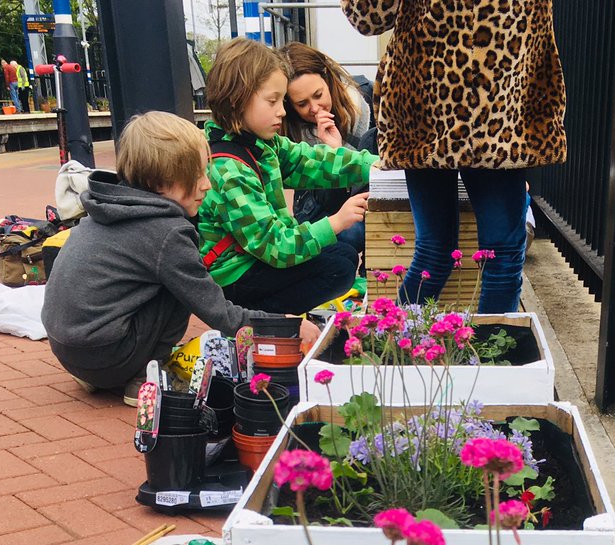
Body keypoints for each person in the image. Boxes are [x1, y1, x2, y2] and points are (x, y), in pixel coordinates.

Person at [43, 111, 301, 401]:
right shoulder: (167, 233)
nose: (207, 184)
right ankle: (143, 376)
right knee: (181, 285)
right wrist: (283, 327)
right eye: (197, 175)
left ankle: (102, 374)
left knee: (169, 276)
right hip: (107, 356)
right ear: (159, 183)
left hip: (70, 352)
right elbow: (217, 311)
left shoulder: (107, 207)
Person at [340, 0, 567, 313]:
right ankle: (401, 349)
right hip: (438, 111)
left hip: (492, 113)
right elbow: (367, 17)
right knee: (444, 251)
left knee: (494, 252)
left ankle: (487, 354)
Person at [198, 39, 377, 315]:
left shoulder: (262, 144)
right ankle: (253, 316)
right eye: (273, 101)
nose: (282, 111)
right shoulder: (227, 170)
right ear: (237, 100)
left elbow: (313, 162)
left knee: (342, 257)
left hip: (257, 258)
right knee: (337, 269)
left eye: (282, 101)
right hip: (235, 278)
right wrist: (336, 222)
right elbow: (275, 246)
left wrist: (377, 166)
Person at [282, 42, 374, 257]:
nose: (314, 108)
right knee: (346, 238)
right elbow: (324, 204)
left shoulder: (366, 99)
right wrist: (333, 155)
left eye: (318, 94)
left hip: (368, 202)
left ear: (328, 79)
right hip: (323, 209)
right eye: (302, 103)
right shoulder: (291, 131)